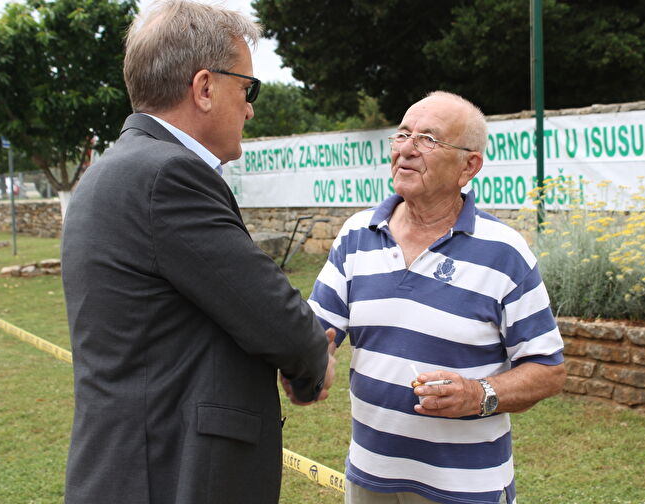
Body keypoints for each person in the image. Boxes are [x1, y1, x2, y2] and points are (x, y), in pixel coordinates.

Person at [60, 2, 335, 503]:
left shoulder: (113, 169)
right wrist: (311, 364)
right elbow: (270, 312)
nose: (250, 107)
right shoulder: (169, 175)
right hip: (168, 472)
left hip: (133, 465)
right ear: (205, 88)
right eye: (246, 88)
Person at [308, 91, 566, 504]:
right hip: (368, 478)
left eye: (429, 139)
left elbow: (548, 370)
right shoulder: (357, 235)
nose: (406, 149)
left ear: (469, 166)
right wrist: (310, 362)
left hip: (466, 489)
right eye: (403, 134)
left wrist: (478, 395)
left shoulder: (505, 252)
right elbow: (319, 331)